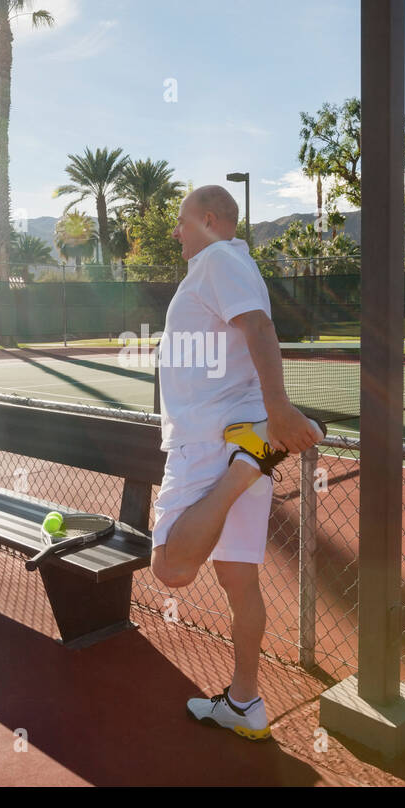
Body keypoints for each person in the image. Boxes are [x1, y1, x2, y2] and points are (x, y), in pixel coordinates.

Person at [150, 184, 325, 741]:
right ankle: (245, 702)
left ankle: (247, 467)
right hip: (235, 436)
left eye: (180, 222)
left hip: (211, 443)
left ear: (206, 219)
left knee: (171, 568)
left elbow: (259, 327)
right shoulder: (224, 265)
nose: (175, 232)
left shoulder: (218, 259)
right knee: (238, 581)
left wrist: (276, 412)